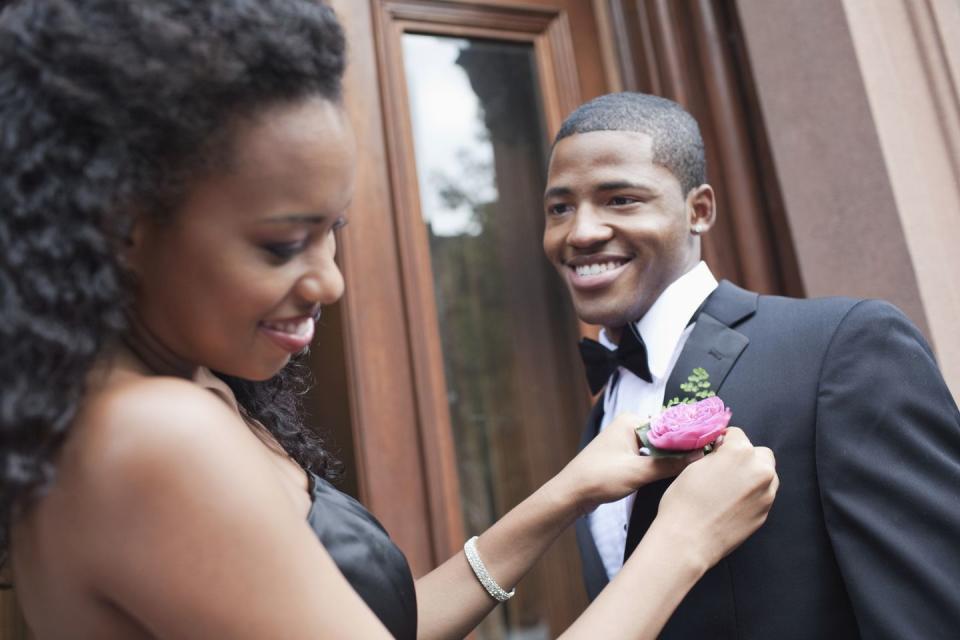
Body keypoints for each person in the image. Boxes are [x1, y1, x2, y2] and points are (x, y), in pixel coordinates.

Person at [0, 3, 779, 639]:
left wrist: (566, 494)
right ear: (123, 224)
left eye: (332, 235)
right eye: (280, 244)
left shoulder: (192, 389)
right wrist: (682, 542)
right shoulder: (151, 437)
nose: (329, 284)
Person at [543, 91, 960, 639]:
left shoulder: (841, 347)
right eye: (560, 208)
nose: (580, 232)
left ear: (699, 210)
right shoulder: (601, 422)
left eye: (620, 199)